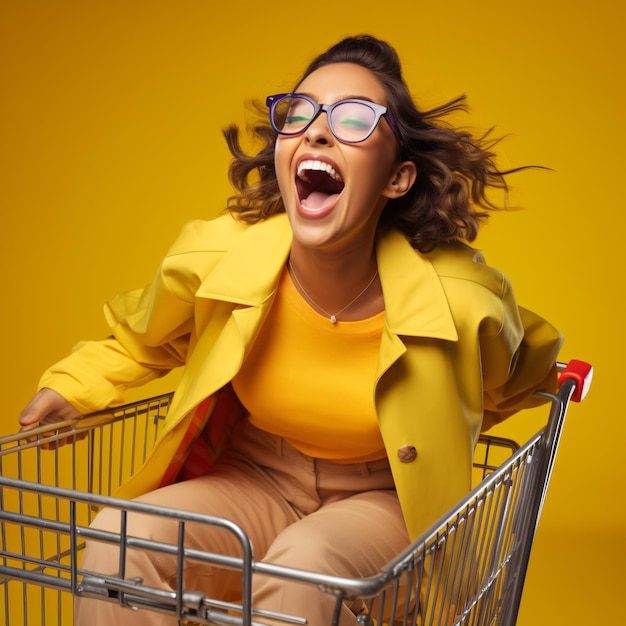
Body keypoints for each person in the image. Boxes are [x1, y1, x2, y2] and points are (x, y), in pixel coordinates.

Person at [18, 34, 562, 626]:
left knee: (302, 570)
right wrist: (75, 383)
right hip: (253, 475)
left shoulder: (462, 299)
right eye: (299, 114)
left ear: (397, 178)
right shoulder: (219, 256)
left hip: (381, 497)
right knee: (120, 540)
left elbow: (514, 374)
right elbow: (142, 337)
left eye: (355, 119)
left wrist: (464, 406)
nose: (317, 131)